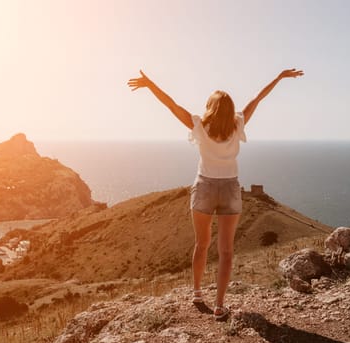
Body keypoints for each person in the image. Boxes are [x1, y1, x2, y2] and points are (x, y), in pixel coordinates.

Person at [127, 68, 304, 320]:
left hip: (204, 187)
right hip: (230, 188)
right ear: (230, 109)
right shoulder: (238, 123)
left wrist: (150, 84)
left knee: (201, 244)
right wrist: (278, 78)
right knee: (227, 251)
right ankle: (220, 305)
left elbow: (171, 105)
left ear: (210, 107)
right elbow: (257, 99)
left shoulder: (199, 125)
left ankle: (198, 292)